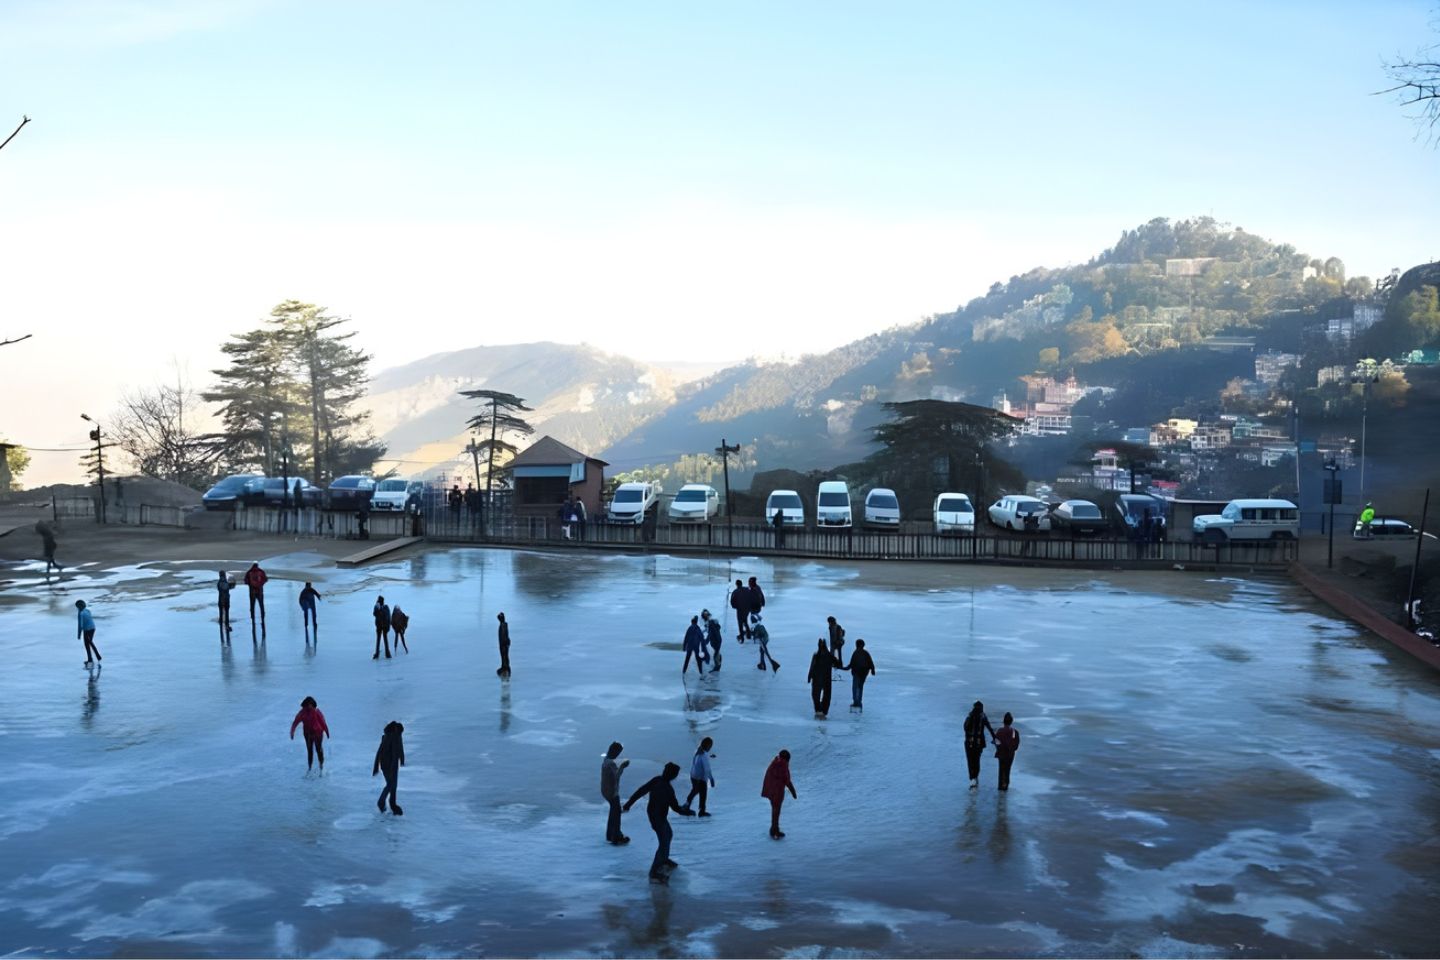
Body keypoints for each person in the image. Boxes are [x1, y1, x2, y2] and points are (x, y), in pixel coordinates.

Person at [623, 761, 695, 884]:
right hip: (657, 817)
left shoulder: (658, 781)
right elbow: (676, 808)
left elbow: (641, 791)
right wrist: (687, 812)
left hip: (656, 815)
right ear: (673, 775)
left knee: (668, 835)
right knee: (664, 841)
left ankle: (664, 860)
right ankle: (654, 872)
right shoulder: (667, 788)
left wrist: (629, 804)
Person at [761, 749, 797, 839]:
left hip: (771, 790)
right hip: (776, 792)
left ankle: (774, 830)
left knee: (775, 810)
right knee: (776, 811)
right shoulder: (782, 765)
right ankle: (774, 831)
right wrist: (793, 792)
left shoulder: (775, 762)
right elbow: (786, 780)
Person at [372, 720, 406, 815]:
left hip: (384, 764)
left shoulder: (386, 735)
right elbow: (398, 750)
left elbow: (379, 751)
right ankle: (383, 802)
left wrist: (376, 766)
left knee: (392, 784)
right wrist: (400, 761)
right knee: (392, 784)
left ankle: (392, 804)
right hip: (391, 764)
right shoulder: (396, 736)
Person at [289, 695, 331, 772]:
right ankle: (310, 767)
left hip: (318, 733)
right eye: (308, 705)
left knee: (318, 749)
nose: (310, 707)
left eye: (311, 705)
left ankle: (321, 765)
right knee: (309, 750)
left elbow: (323, 722)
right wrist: (292, 732)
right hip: (308, 733)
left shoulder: (316, 712)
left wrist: (327, 731)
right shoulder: (302, 712)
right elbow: (295, 722)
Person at [601, 742, 631, 845]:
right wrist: (623, 766)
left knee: (614, 812)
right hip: (612, 792)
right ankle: (616, 837)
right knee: (616, 813)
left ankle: (610, 835)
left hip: (605, 790)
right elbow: (616, 776)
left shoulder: (606, 760)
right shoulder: (611, 763)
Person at [963, 701, 997, 789]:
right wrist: (995, 738)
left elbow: (965, 728)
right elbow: (990, 728)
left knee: (970, 761)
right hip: (978, 743)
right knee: (976, 761)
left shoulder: (970, 716)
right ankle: (975, 777)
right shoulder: (983, 716)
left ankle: (972, 778)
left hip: (969, 743)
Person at [682, 737, 716, 817]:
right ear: (707, 745)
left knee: (695, 791)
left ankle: (687, 805)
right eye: (710, 746)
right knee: (703, 793)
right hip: (700, 778)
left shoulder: (698, 752)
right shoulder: (703, 755)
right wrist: (711, 779)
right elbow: (706, 769)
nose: (710, 747)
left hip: (694, 776)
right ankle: (701, 811)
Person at [807, 639, 835, 717]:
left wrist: (809, 676)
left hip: (817, 678)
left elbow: (812, 666)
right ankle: (824, 710)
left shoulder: (816, 655)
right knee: (826, 694)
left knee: (815, 694)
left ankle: (818, 709)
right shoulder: (829, 655)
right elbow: (837, 663)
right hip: (826, 678)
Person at [994, 711, 1021, 791]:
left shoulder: (999, 731)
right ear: (1011, 721)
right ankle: (1005, 785)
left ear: (1004, 721)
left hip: (1001, 753)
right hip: (1010, 754)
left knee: (1001, 769)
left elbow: (996, 742)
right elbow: (1016, 744)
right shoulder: (1015, 732)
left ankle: (1000, 786)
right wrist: (1012, 750)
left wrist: (999, 749)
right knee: (1007, 769)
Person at [846, 639, 876, 708]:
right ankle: (858, 701)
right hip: (864, 672)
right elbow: (870, 662)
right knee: (860, 686)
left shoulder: (856, 653)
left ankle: (856, 701)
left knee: (855, 687)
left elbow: (851, 664)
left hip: (857, 672)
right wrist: (872, 670)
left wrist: (844, 668)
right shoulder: (865, 653)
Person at [75, 599, 101, 665]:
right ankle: (91, 659)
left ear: (79, 607)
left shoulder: (81, 613)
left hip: (87, 630)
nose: (77, 609)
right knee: (88, 643)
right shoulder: (87, 610)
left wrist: (79, 634)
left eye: (77, 607)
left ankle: (97, 656)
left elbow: (80, 625)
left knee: (88, 643)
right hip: (93, 628)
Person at [243, 562, 268, 628]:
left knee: (252, 605)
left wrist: (250, 584)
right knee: (261, 605)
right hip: (260, 591)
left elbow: (246, 581)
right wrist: (260, 584)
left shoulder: (249, 572)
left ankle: (252, 619)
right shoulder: (261, 572)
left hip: (252, 592)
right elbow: (265, 579)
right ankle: (263, 619)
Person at [216, 571, 233, 636]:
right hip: (227, 599)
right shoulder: (227, 582)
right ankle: (227, 625)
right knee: (227, 613)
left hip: (221, 599)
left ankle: (221, 626)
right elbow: (229, 588)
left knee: (221, 612)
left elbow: (219, 589)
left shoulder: (219, 582)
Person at [496, 612, 511, 678]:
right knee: (504, 656)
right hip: (504, 643)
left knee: (504, 655)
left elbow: (504, 636)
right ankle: (505, 667)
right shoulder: (504, 625)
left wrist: (506, 642)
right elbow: (506, 635)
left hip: (503, 644)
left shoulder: (503, 626)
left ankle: (505, 668)